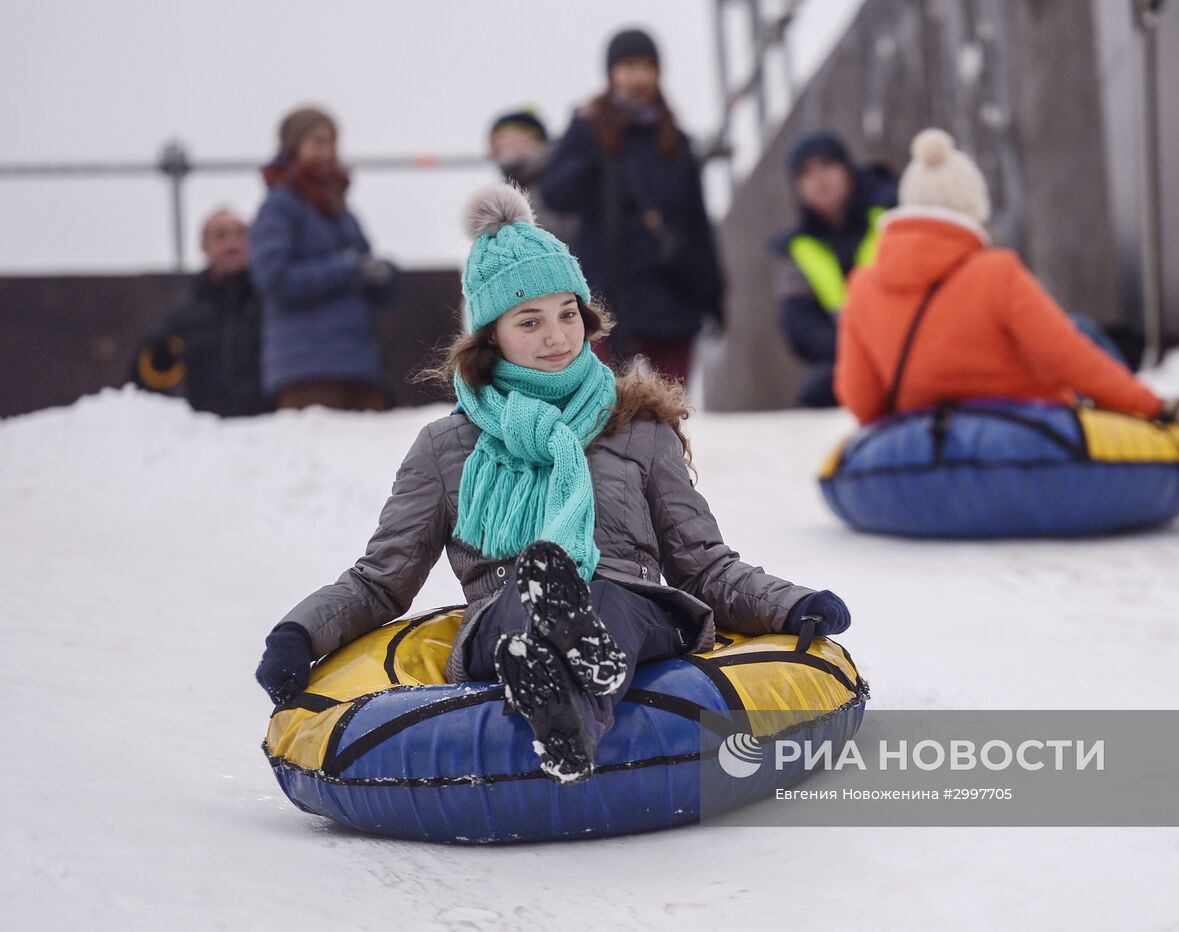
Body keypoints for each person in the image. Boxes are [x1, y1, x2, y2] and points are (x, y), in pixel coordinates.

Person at [255, 183, 850, 784]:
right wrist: (299, 632)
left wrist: (791, 603)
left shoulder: (638, 426)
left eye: (568, 314)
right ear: (491, 337)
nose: (558, 337)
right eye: (530, 321)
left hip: (632, 600)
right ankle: (551, 668)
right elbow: (381, 580)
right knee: (520, 604)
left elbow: (702, 563)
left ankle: (570, 701)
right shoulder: (446, 448)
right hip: (505, 613)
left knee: (606, 598)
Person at [835, 129, 1179, 425]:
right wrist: (1151, 407)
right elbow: (1070, 359)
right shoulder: (997, 273)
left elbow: (861, 401)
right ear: (973, 206)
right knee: (1084, 331)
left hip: (928, 446)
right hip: (1024, 435)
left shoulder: (863, 285)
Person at [536, 28, 724, 383]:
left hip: (671, 299)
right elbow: (554, 194)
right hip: (605, 298)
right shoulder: (588, 131)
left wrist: (715, 297)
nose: (637, 76)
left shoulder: (676, 141)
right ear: (611, 72)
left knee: (672, 413)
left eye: (647, 66)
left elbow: (697, 223)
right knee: (603, 409)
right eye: (628, 65)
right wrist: (589, 166)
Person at [249, 106, 400, 411]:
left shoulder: (341, 211)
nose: (328, 152)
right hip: (305, 370)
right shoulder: (279, 206)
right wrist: (345, 268)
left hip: (359, 367)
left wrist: (383, 276)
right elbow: (273, 279)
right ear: (294, 147)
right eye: (317, 142)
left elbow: (361, 266)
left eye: (332, 143)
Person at [771, 130, 897, 408]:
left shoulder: (892, 215)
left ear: (847, 170)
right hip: (851, 356)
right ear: (797, 187)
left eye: (827, 166)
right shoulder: (798, 249)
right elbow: (799, 325)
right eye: (806, 173)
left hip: (906, 341)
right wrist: (856, 348)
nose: (819, 180)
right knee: (815, 391)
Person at [130, 209, 270, 416]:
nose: (232, 244)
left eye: (241, 234)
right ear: (204, 246)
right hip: (206, 435)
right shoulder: (182, 317)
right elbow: (146, 386)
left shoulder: (272, 305)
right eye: (220, 235)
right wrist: (157, 358)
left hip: (272, 431)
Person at [486, 108, 576, 246]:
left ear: (532, 137)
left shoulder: (566, 177)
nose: (493, 150)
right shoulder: (506, 193)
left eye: (500, 138)